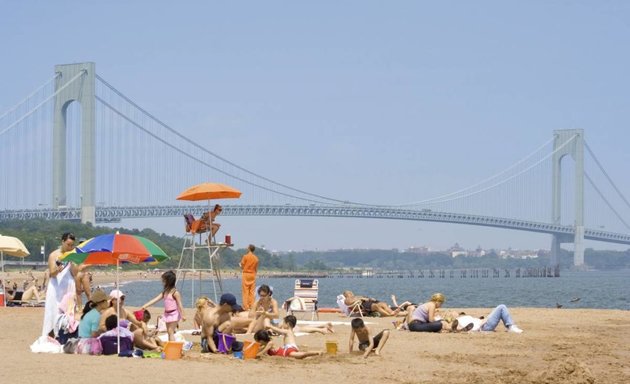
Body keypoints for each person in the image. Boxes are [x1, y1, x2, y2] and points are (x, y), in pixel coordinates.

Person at [42, 232, 78, 338]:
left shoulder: (73, 254)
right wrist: (58, 268)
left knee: (69, 310)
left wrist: (72, 261)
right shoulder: (53, 255)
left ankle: (66, 335)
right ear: (62, 242)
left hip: (69, 286)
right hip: (56, 287)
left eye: (72, 245)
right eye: (68, 244)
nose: (70, 247)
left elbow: (75, 273)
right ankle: (51, 334)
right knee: (53, 310)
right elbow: (52, 273)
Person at [141, 270, 186, 341]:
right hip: (167, 314)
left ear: (169, 281)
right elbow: (155, 299)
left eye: (164, 280)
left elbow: (180, 304)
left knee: (170, 331)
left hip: (174, 314)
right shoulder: (165, 292)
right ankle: (171, 346)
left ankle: (172, 349)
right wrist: (145, 305)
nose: (163, 281)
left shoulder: (175, 293)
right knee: (169, 332)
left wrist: (183, 315)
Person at [455, 305, 523, 333]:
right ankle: (511, 327)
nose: (452, 312)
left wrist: (480, 319)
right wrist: (482, 322)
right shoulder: (458, 322)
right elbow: (471, 327)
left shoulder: (461, 318)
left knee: (497, 309)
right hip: (485, 325)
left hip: (484, 323)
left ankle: (510, 326)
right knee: (502, 307)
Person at [239, 244, 259, 310]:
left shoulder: (245, 256)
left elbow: (242, 265)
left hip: (246, 274)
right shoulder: (256, 258)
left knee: (245, 291)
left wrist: (240, 265)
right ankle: (251, 305)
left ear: (249, 249)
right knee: (252, 291)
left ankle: (246, 306)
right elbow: (256, 268)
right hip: (253, 274)